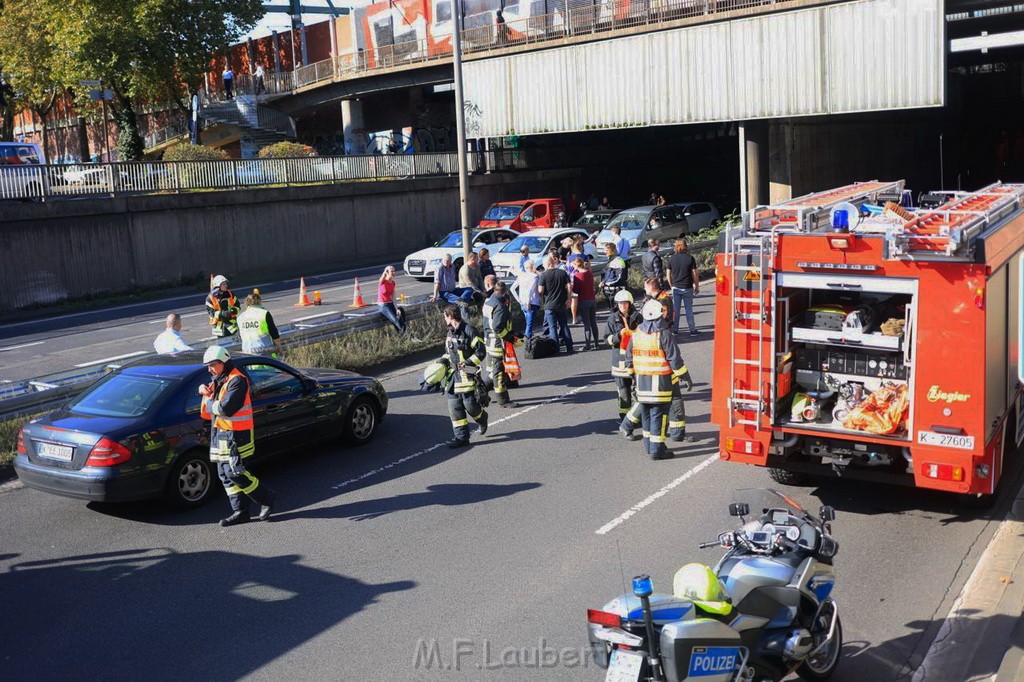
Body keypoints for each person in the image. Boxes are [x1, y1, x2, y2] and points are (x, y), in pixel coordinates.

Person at [199, 346, 274, 526]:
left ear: (224, 363)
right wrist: (208, 394)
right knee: (224, 475)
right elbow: (210, 411)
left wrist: (208, 399)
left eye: (213, 365)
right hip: (220, 434)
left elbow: (226, 409)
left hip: (237, 436)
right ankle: (240, 511)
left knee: (235, 472)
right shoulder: (219, 380)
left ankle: (267, 498)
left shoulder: (237, 381)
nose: (210, 369)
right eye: (208, 366)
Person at [624, 300, 693, 460]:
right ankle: (657, 450)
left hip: (642, 384)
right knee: (659, 417)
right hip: (660, 386)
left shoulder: (637, 334)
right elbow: (674, 360)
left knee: (647, 416)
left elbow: (629, 360)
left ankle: (649, 446)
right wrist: (686, 377)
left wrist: (633, 377)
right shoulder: (663, 334)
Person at [440, 305, 489, 448]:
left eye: (445, 316)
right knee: (455, 409)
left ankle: (482, 418)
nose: (444, 319)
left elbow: (481, 352)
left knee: (471, 406)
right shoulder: (450, 333)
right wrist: (442, 362)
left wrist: (467, 363)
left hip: (467, 376)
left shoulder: (470, 331)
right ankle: (461, 438)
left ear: (450, 316)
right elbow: (448, 353)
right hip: (452, 378)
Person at [482, 280, 521, 408]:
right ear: (504, 293)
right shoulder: (500, 306)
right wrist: (509, 337)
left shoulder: (489, 301)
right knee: (498, 373)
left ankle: (481, 391)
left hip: (488, 340)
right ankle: (503, 400)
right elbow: (498, 327)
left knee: (492, 371)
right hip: (498, 344)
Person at [606, 290, 642, 421]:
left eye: (625, 303)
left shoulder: (638, 317)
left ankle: (637, 417)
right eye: (620, 303)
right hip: (619, 363)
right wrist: (618, 335)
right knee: (624, 393)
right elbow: (607, 339)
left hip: (636, 360)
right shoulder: (612, 318)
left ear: (629, 303)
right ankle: (625, 420)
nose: (622, 306)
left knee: (639, 391)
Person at [537, 253, 574, 354]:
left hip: (549, 304)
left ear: (547, 264)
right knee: (564, 325)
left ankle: (556, 349)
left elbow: (540, 290)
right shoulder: (562, 272)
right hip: (562, 302)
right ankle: (569, 347)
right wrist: (569, 298)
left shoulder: (543, 275)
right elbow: (569, 286)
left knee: (552, 327)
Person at [668, 238, 700, 336]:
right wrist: (697, 286)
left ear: (675, 247)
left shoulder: (671, 258)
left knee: (676, 310)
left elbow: (668, 274)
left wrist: (671, 285)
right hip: (687, 287)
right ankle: (692, 330)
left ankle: (675, 330)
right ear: (685, 246)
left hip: (676, 287)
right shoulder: (690, 258)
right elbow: (694, 273)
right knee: (689, 309)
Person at [237, 290, 284, 357]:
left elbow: (240, 335)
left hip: (247, 354)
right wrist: (279, 348)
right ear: (259, 302)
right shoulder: (264, 313)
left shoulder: (240, 317)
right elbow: (274, 333)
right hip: (265, 354)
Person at [573, 258, 599, 350]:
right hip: (592, 299)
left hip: (583, 301)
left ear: (576, 266)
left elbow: (576, 290)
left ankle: (588, 344)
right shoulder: (589, 273)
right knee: (593, 322)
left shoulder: (577, 276)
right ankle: (596, 343)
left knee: (586, 324)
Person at [512, 259, 541, 337]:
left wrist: (519, 300)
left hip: (523, 302)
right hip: (532, 302)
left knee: (528, 323)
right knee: (529, 325)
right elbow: (530, 290)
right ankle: (528, 341)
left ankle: (529, 337)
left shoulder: (521, 276)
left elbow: (512, 288)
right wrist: (528, 301)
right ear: (532, 267)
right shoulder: (534, 277)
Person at [375, 266, 407, 334]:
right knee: (395, 320)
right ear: (387, 272)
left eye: (394, 271)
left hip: (390, 303)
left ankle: (403, 333)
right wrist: (385, 271)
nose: (393, 273)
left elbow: (393, 297)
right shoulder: (382, 281)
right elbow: (382, 277)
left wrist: (396, 308)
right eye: (391, 271)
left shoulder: (393, 283)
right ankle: (405, 335)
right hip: (383, 305)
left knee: (400, 314)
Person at [600, 242, 629, 306]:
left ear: (613, 251)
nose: (605, 252)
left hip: (618, 291)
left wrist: (607, 283)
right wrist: (603, 281)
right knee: (613, 312)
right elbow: (607, 275)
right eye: (605, 250)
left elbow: (620, 278)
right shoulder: (611, 261)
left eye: (607, 250)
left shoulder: (619, 261)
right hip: (610, 292)